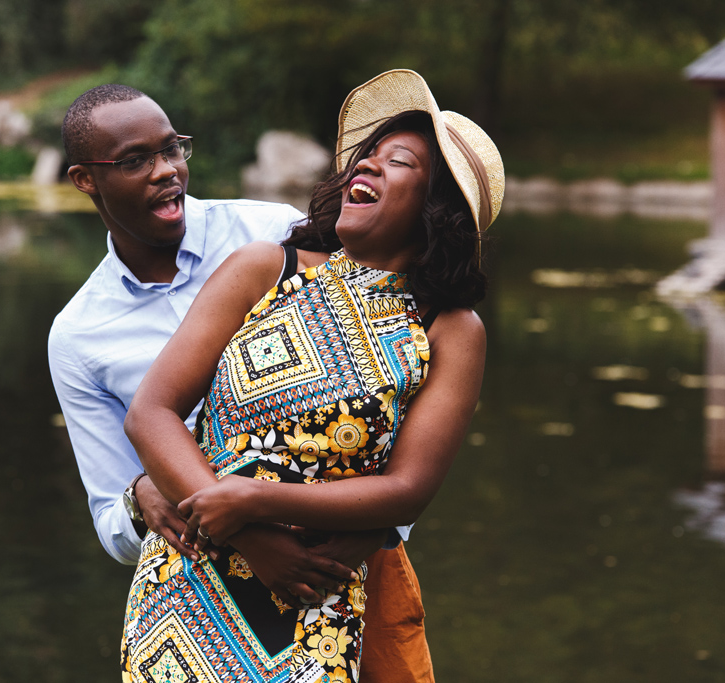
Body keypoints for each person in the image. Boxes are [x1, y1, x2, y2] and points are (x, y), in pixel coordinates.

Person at [121, 69, 504, 682]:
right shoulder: (265, 270)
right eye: (367, 156)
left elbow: (409, 490)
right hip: (186, 592)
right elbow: (151, 413)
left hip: (312, 601)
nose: (367, 167)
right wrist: (247, 535)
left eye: (397, 161)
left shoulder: (450, 329)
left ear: (438, 208)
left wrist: (259, 499)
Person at [48, 83, 437, 681]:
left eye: (172, 149)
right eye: (135, 161)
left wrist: (374, 529)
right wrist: (142, 499)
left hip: (338, 564)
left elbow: (393, 355)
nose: (166, 171)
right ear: (84, 180)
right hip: (193, 596)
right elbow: (113, 520)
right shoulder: (79, 336)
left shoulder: (274, 234)